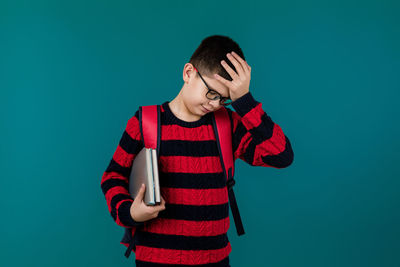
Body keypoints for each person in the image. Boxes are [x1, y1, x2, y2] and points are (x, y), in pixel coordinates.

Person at [100, 35, 294, 266]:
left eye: (224, 99)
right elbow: (112, 177)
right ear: (188, 73)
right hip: (156, 259)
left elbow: (281, 155)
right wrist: (131, 213)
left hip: (215, 259)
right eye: (212, 93)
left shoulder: (228, 125)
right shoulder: (145, 122)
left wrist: (245, 102)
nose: (214, 104)